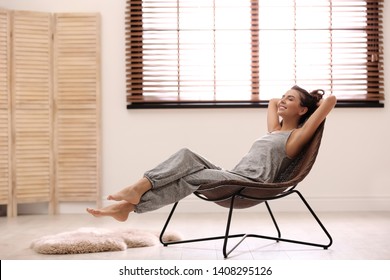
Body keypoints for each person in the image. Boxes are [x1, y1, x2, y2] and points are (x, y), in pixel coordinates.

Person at [87, 85, 337, 222]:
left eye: (290, 99)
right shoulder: (274, 131)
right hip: (233, 174)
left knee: (191, 177)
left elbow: (330, 102)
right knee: (187, 155)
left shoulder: (294, 139)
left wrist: (315, 99)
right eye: (284, 96)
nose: (281, 100)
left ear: (303, 110)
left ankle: (130, 204)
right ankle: (137, 190)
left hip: (252, 184)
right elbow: (272, 101)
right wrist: (287, 98)